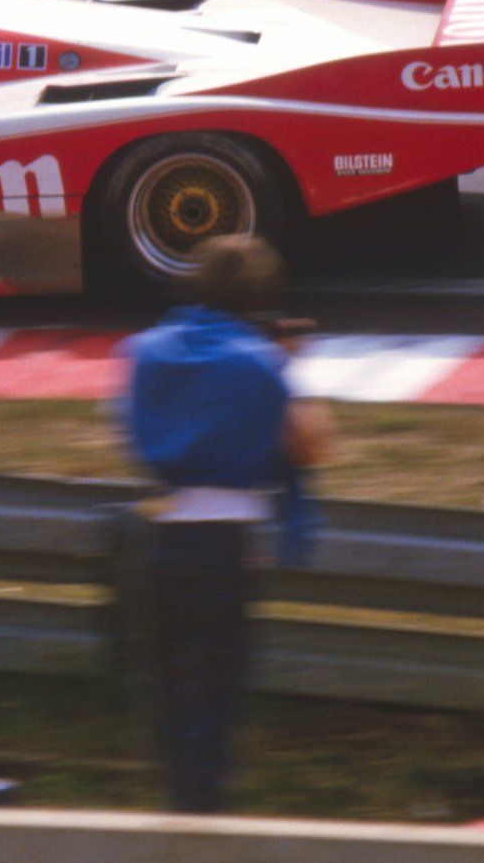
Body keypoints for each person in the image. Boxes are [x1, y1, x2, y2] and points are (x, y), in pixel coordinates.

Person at [120, 234, 333, 814]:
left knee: (169, 700)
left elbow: (128, 433)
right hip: (224, 547)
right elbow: (308, 447)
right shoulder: (257, 361)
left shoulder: (146, 349)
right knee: (213, 704)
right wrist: (289, 370)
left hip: (157, 535)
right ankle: (200, 827)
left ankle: (173, 822)